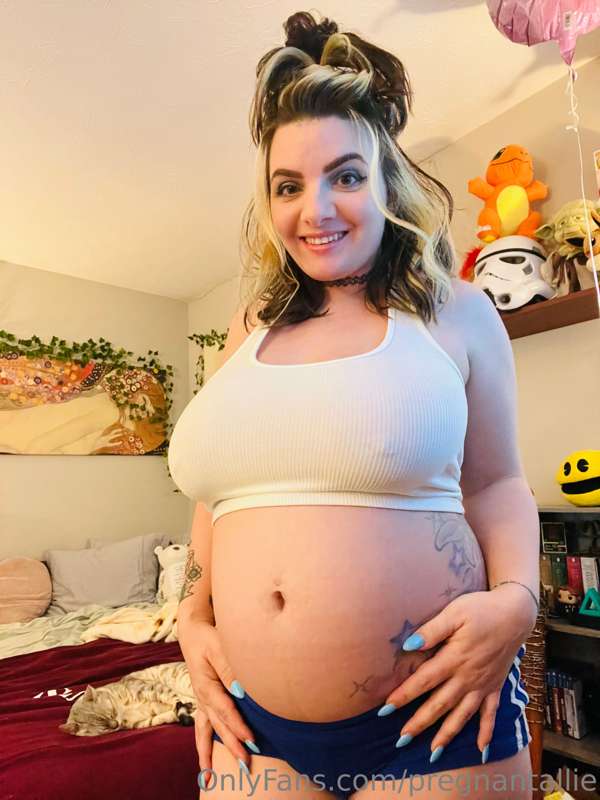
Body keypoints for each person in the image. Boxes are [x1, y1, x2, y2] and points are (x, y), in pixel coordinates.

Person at [168, 11, 540, 800]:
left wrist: (518, 603)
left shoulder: (456, 311)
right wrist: (190, 618)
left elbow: (498, 483)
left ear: (385, 181)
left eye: (345, 176)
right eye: (288, 186)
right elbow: (217, 496)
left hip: (437, 719)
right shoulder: (248, 326)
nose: (316, 211)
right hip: (253, 725)